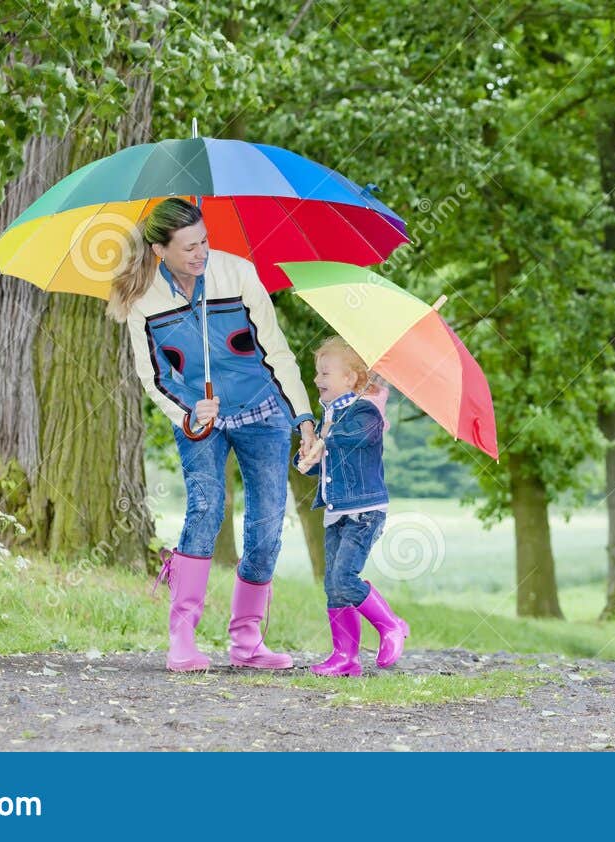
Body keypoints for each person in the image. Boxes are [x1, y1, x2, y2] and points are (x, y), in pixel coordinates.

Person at [106, 198, 319, 672]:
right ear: (160, 250)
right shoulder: (145, 299)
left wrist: (303, 417)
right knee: (206, 507)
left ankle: (247, 639)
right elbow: (155, 376)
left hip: (262, 410)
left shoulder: (238, 273)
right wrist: (189, 409)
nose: (201, 253)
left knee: (266, 524)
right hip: (199, 417)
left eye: (204, 241)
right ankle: (182, 633)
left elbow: (276, 350)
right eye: (189, 248)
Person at [297, 336, 409, 677]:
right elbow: (327, 462)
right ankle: (345, 656)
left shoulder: (365, 410)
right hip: (336, 511)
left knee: (345, 578)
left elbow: (358, 439)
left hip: (363, 511)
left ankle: (390, 625)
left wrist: (326, 437)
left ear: (350, 379)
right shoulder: (329, 414)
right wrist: (308, 457)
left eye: (325, 373)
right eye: (317, 373)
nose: (317, 379)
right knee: (333, 584)